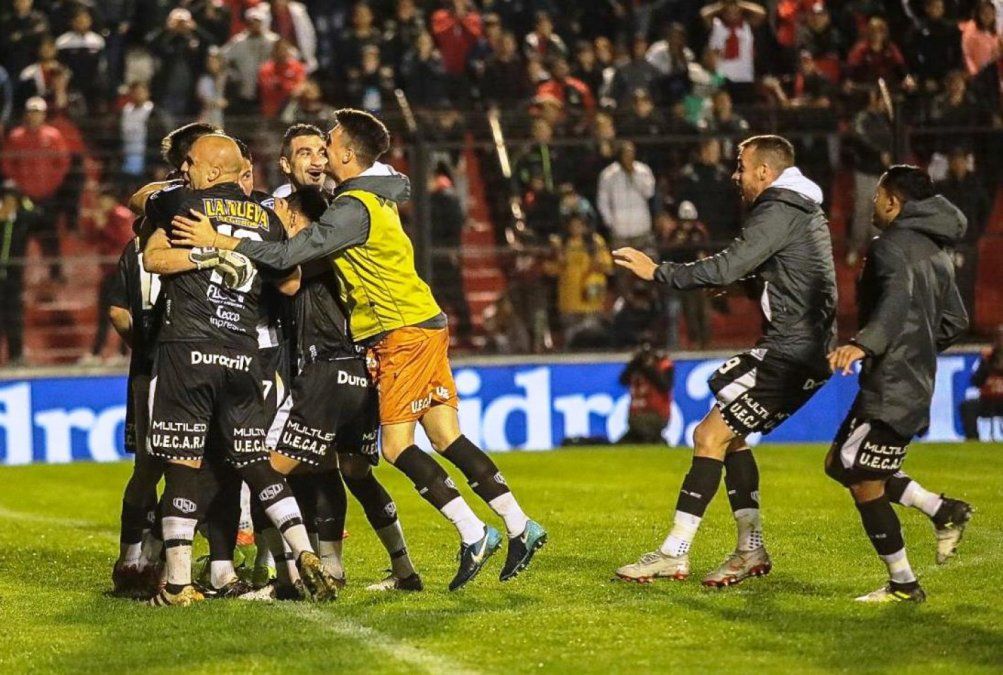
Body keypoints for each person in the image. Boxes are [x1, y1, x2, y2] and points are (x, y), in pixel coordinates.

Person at [171, 109, 547, 591]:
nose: (322, 152)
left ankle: (473, 533)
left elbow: (288, 257)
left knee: (395, 448)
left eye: (328, 143)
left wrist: (217, 239)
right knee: (445, 436)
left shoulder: (352, 207)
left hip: (400, 330)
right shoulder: (369, 195)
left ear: (347, 154)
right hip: (421, 322)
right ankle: (518, 524)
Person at [612, 135, 836, 588]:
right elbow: (792, 271)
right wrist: (745, 281)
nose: (736, 176)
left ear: (764, 172)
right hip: (801, 350)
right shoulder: (800, 208)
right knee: (731, 438)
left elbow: (727, 263)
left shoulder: (779, 208)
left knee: (708, 435)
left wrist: (658, 271)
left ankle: (674, 553)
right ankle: (749, 550)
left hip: (790, 352)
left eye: (741, 167)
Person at [138, 134, 339, 606]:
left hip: (189, 350)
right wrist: (241, 255)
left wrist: (206, 253)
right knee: (253, 460)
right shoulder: (267, 218)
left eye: (189, 162)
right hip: (245, 355)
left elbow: (152, 257)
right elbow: (289, 283)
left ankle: (178, 584)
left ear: (209, 171)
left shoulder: (183, 203)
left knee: (185, 462)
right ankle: (303, 551)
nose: (183, 169)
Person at [261, 187, 423, 593]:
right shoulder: (344, 250)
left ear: (295, 216)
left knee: (265, 470)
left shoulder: (313, 252)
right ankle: (399, 569)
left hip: (327, 371)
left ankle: (289, 575)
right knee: (352, 470)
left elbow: (288, 281)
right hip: (358, 370)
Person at [826, 166, 973, 602]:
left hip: (891, 384)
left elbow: (893, 302)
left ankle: (904, 583)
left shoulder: (889, 246)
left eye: (877, 196)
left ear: (893, 202)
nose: (872, 203)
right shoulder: (937, 252)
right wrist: (916, 346)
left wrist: (865, 344)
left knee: (858, 475)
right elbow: (955, 321)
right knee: (842, 464)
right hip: (910, 380)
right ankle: (940, 510)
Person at [1, 97, 71, 281]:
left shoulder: (53, 136)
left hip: (47, 197)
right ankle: (15, 276)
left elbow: (63, 163)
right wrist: (19, 186)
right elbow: (7, 164)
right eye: (31, 112)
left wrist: (52, 185)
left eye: (38, 112)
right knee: (19, 239)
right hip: (23, 198)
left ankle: (56, 273)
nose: (34, 116)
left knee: (50, 237)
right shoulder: (16, 136)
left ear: (44, 115)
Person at [597, 140, 656, 251]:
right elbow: (603, 202)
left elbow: (649, 193)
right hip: (620, 230)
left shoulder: (643, 171)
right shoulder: (608, 174)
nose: (629, 156)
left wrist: (633, 174)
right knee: (621, 261)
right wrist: (610, 223)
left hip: (641, 227)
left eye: (631, 153)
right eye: (626, 153)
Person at [0, 186, 33, 366]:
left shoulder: (21, 221)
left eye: (13, 202)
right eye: (6, 201)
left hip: (13, 279)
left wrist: (25, 202)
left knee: (13, 317)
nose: (9, 205)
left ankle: (16, 355)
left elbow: (38, 216)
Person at [618, 345, 674, 444]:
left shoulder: (663, 364)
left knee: (645, 437)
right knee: (627, 442)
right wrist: (636, 363)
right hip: (636, 414)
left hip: (655, 413)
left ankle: (660, 442)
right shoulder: (635, 365)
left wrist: (648, 367)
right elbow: (622, 380)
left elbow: (665, 386)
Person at [960, 326, 1003, 440]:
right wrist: (985, 362)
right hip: (989, 400)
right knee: (967, 406)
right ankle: (973, 441)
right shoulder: (988, 358)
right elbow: (975, 381)